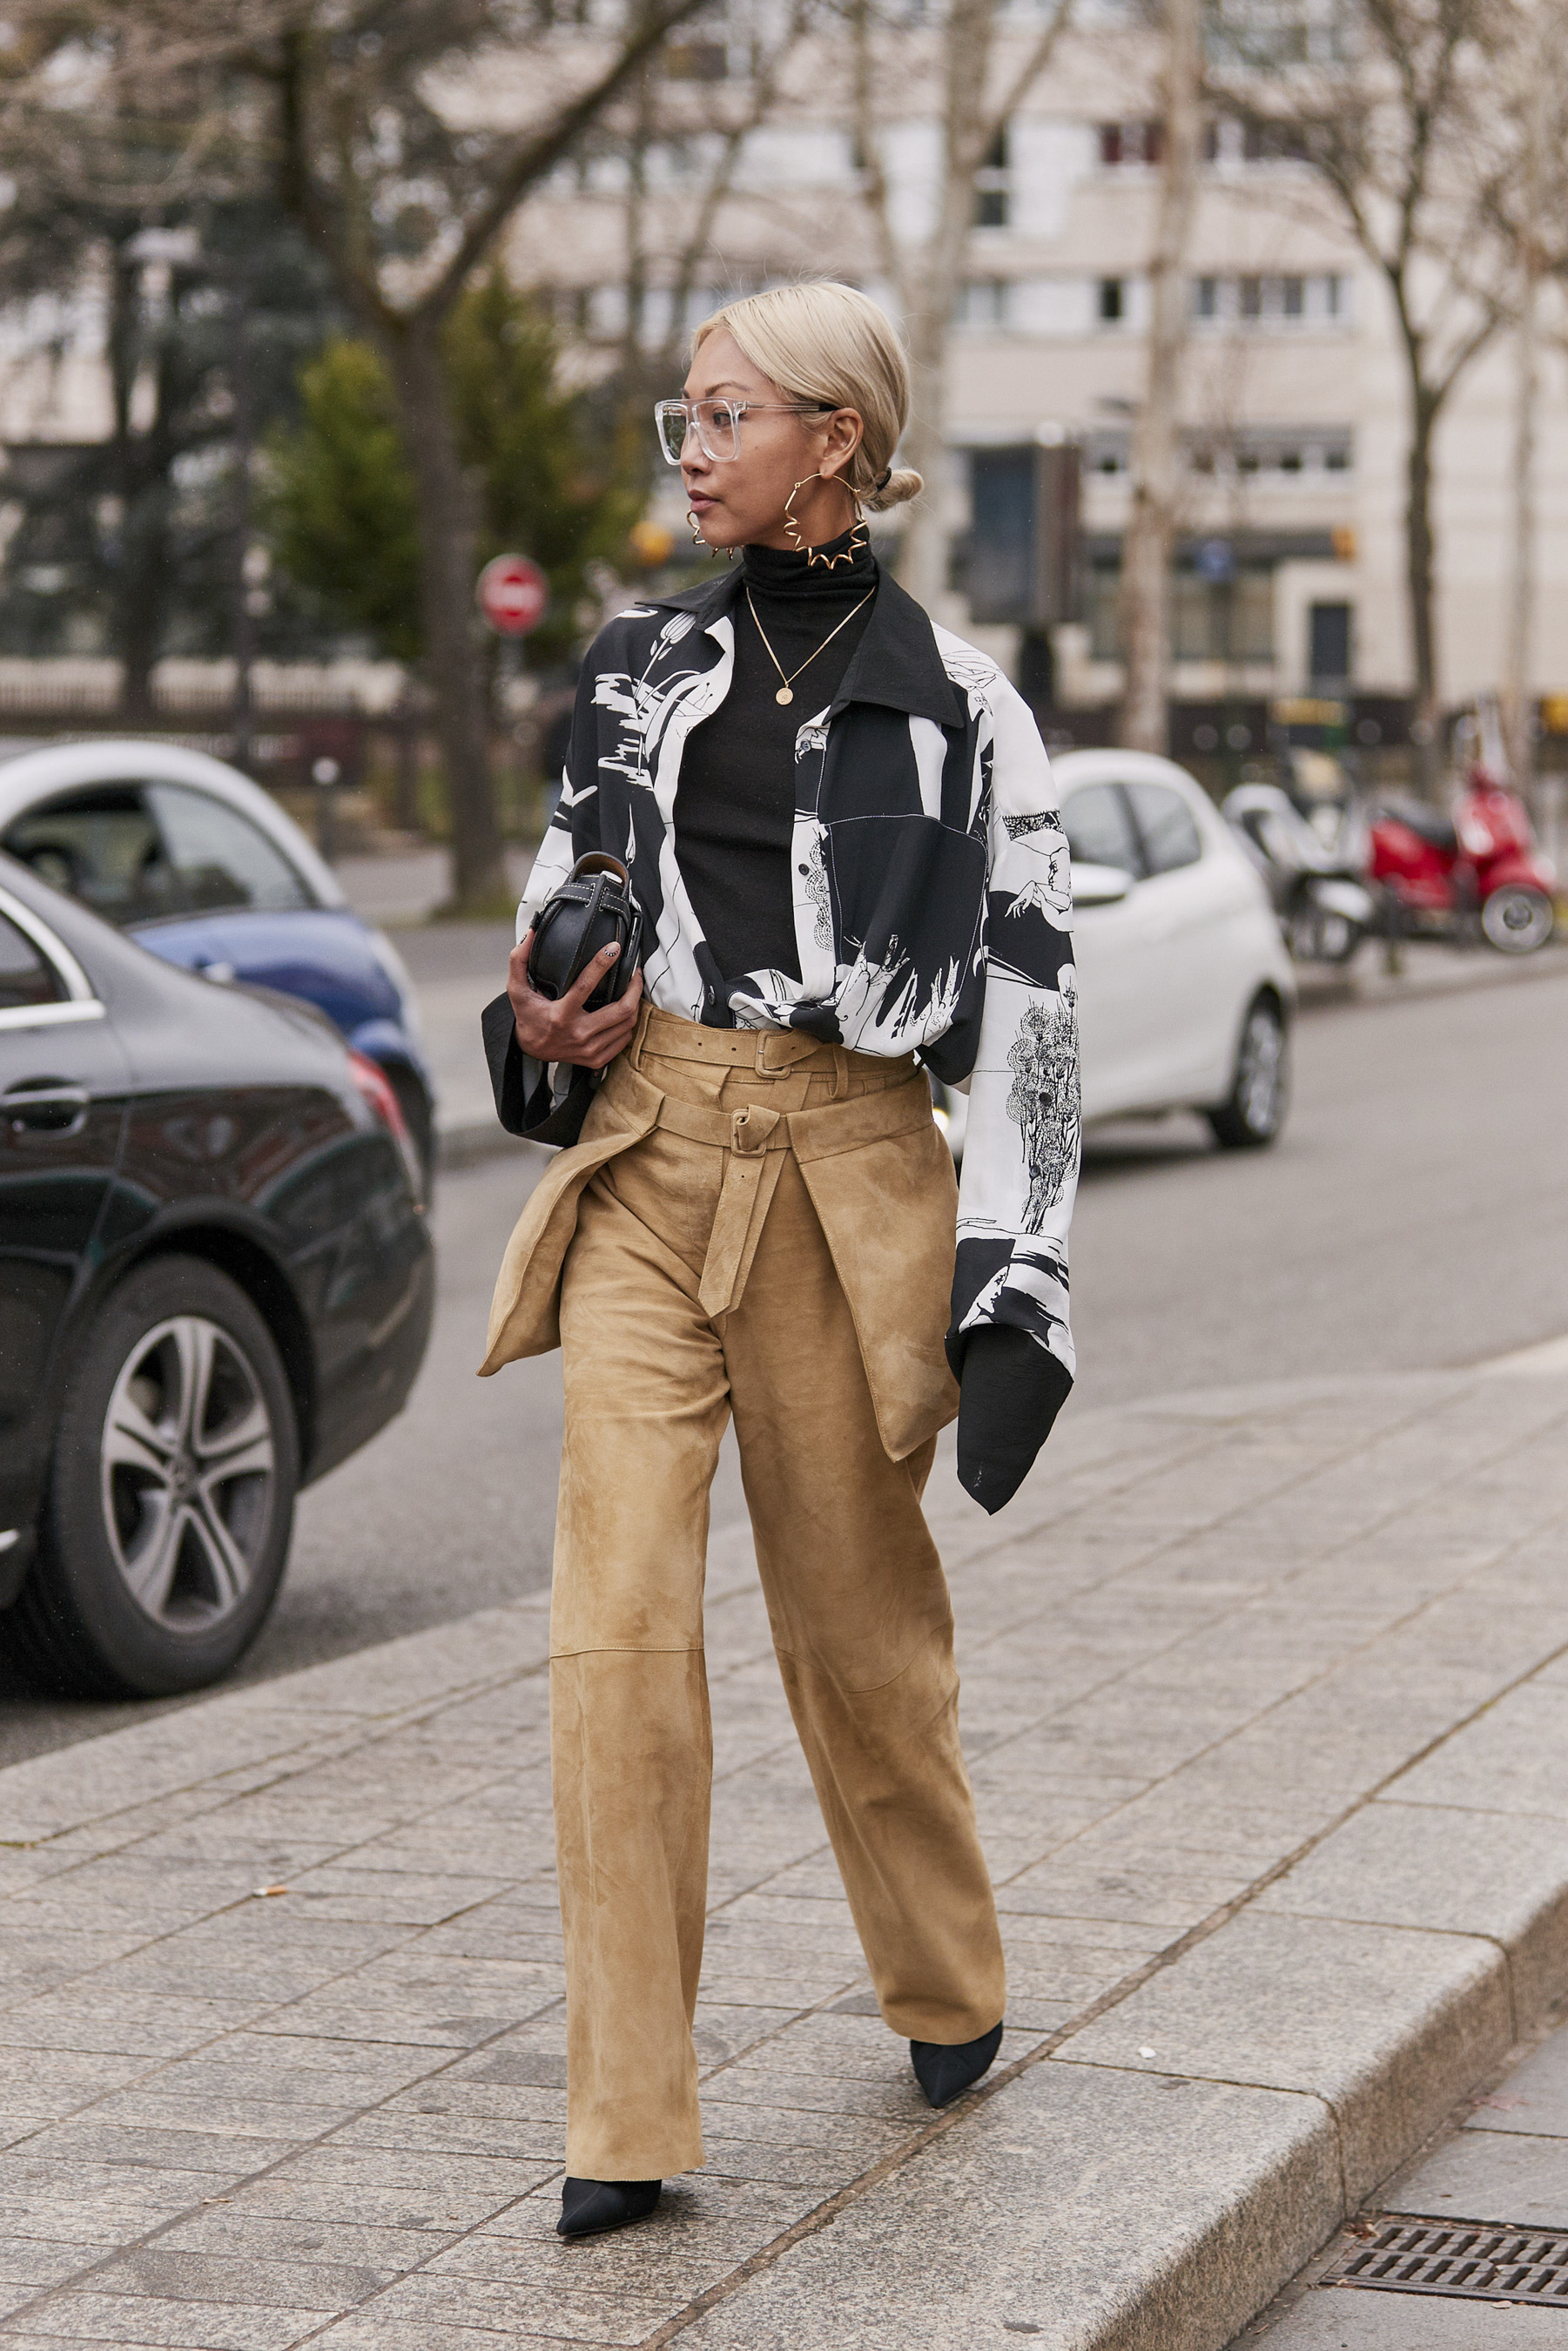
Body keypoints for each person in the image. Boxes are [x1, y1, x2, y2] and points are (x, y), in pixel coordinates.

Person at [479, 280, 1080, 2241]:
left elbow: (1031, 1009)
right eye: (685, 415)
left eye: (725, 415)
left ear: (835, 435)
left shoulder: (963, 703)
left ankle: (942, 1976)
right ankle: (624, 2114)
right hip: (652, 1155)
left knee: (858, 1635)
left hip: (853, 1169)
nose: (691, 447)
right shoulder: (637, 662)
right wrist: (540, 1027)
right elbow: (559, 911)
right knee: (618, 1632)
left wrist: (1021, 1293)